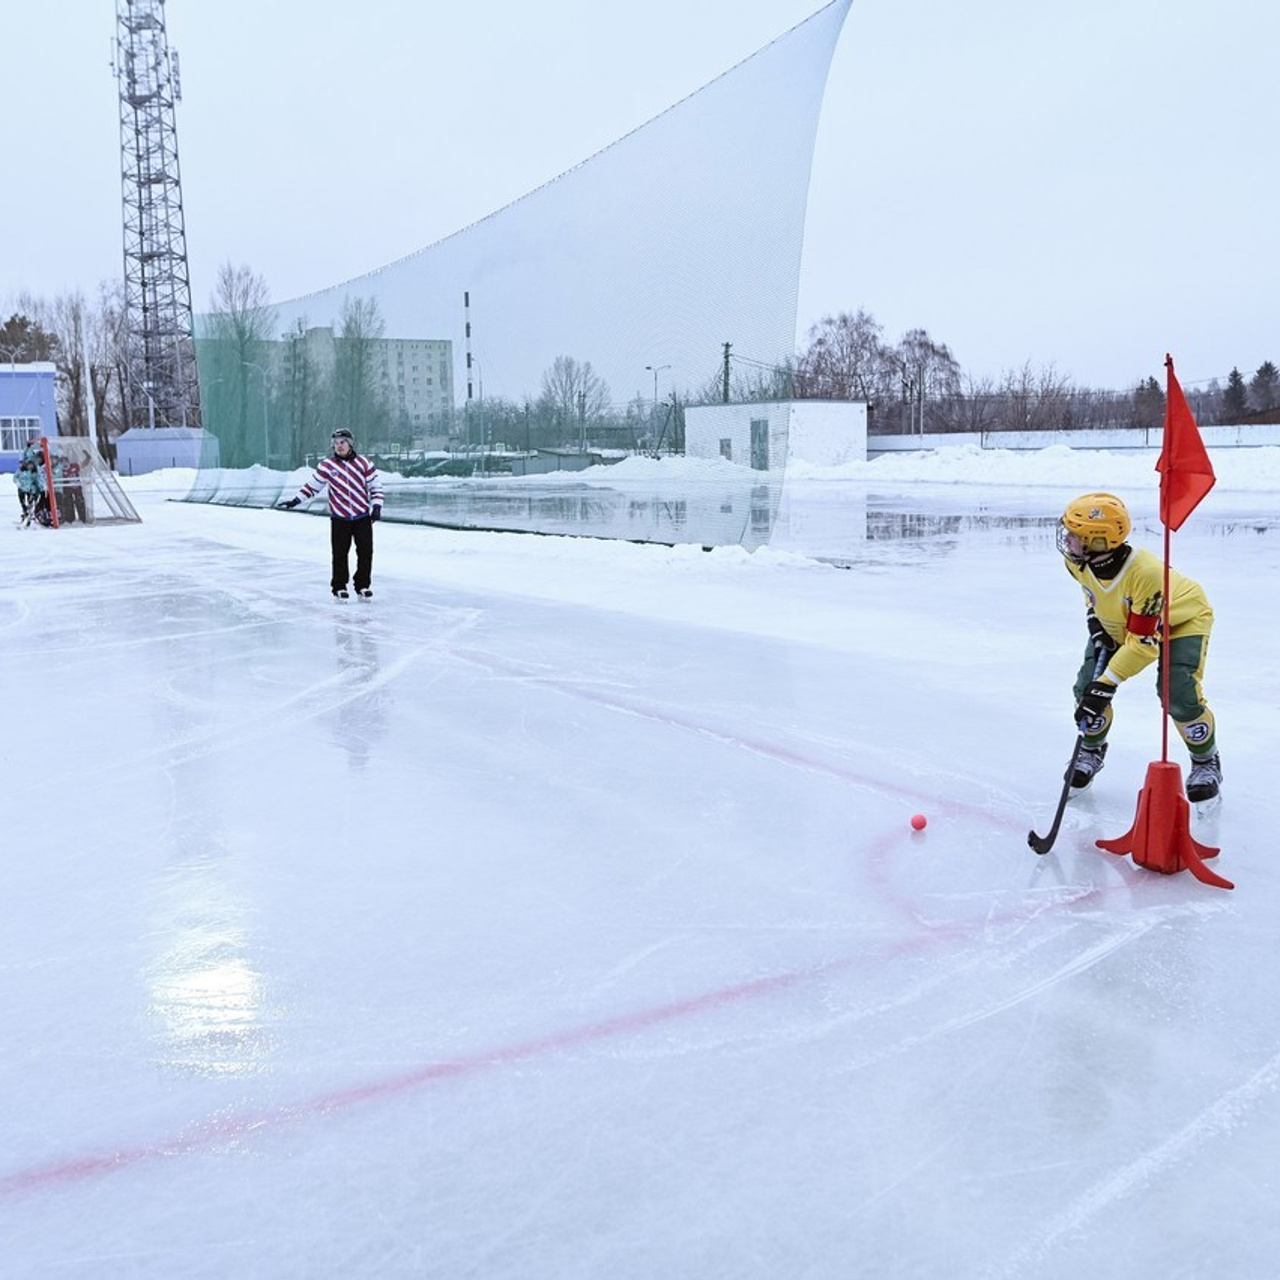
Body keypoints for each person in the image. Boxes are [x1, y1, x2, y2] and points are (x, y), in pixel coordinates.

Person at [1056, 492, 1221, 802]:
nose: (1067, 539)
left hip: (1181, 621)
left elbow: (1143, 645)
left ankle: (1205, 760)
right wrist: (1095, 622)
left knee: (1177, 692)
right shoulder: (1076, 560)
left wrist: (1106, 684)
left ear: (1099, 542)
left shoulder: (1146, 573)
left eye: (1075, 535)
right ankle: (1091, 751)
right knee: (1085, 688)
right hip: (1121, 621)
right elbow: (1091, 590)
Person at [277, 428, 384, 599]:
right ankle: (339, 586)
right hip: (340, 518)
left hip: (362, 516)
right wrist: (296, 500)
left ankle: (363, 585)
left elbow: (376, 487)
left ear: (350, 444)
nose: (338, 446)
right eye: (335, 443)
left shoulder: (364, 464)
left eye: (342, 442)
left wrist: (377, 506)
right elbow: (312, 487)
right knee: (340, 553)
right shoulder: (327, 466)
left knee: (365, 552)